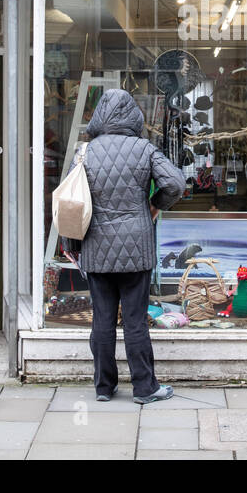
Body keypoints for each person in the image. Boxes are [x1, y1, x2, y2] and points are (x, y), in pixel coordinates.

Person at [72, 88, 186, 404]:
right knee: (135, 320)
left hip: (96, 247)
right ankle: (145, 388)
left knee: (102, 320)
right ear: (133, 116)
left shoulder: (85, 152)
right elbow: (175, 184)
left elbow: (72, 201)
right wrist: (153, 206)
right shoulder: (144, 149)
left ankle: (104, 387)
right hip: (136, 247)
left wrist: (73, 245)